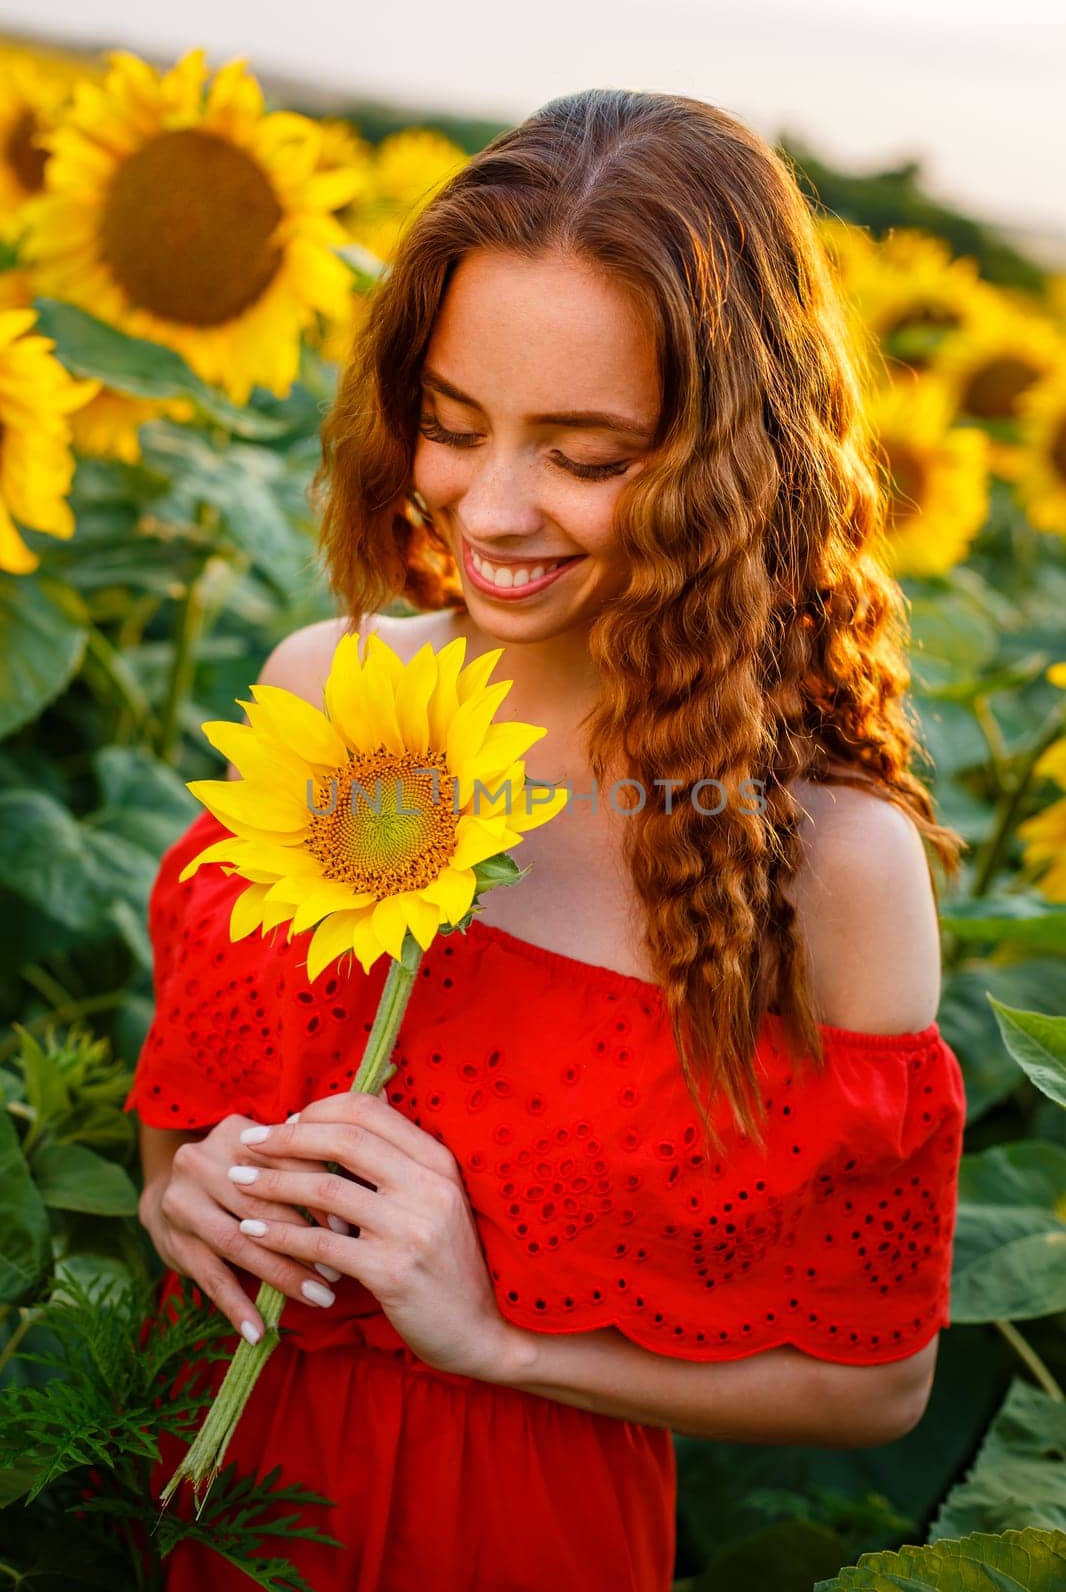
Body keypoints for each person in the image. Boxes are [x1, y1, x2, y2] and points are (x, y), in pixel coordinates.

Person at [127, 88, 968, 1591]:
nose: (488, 508)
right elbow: (185, 1110)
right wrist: (181, 1188)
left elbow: (873, 1383)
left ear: (729, 460)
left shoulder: (822, 859)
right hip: (199, 1479)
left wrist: (498, 1338)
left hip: (510, 1533)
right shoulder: (334, 689)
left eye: (583, 455)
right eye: (452, 426)